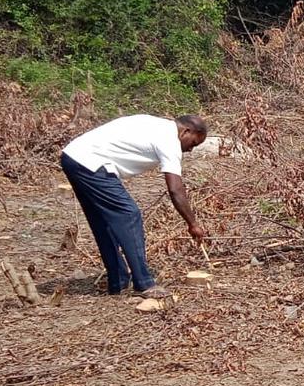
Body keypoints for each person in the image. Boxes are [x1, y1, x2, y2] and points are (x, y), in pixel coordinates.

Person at [60, 114, 209, 298]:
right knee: (129, 214)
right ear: (185, 131)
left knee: (103, 222)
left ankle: (118, 282)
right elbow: (175, 189)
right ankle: (144, 283)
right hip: (91, 162)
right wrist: (192, 223)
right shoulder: (169, 140)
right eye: (193, 143)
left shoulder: (157, 125)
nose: (190, 150)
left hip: (73, 157)